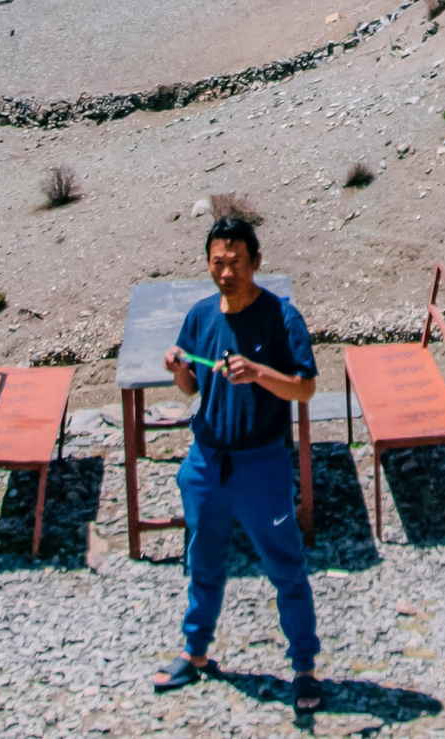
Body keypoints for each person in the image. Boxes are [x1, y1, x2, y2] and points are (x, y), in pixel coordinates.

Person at [151, 213, 322, 711]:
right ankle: (196, 653)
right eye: (218, 263)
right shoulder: (201, 316)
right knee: (203, 561)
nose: (226, 273)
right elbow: (190, 389)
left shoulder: (282, 317)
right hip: (207, 461)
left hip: (262, 464)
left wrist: (259, 373)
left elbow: (306, 388)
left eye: (236, 263)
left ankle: (305, 669)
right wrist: (179, 370)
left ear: (256, 263)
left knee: (285, 567)